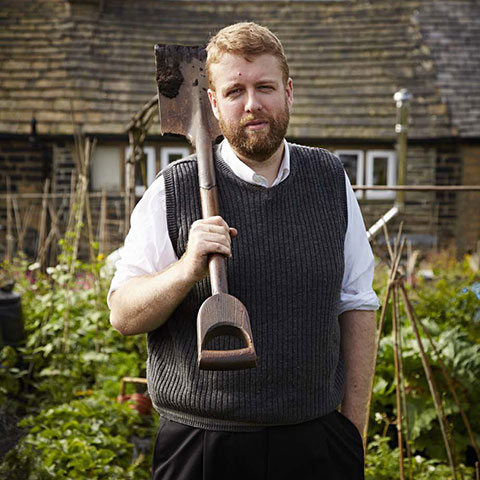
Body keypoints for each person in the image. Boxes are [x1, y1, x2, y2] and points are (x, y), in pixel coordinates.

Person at [109, 22, 379, 480]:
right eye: (235, 91)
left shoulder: (330, 180)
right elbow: (123, 315)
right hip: (203, 445)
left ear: (288, 92)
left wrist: (352, 431)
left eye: (265, 87)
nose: (252, 104)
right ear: (213, 104)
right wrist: (186, 269)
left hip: (315, 442)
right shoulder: (172, 190)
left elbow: (357, 304)